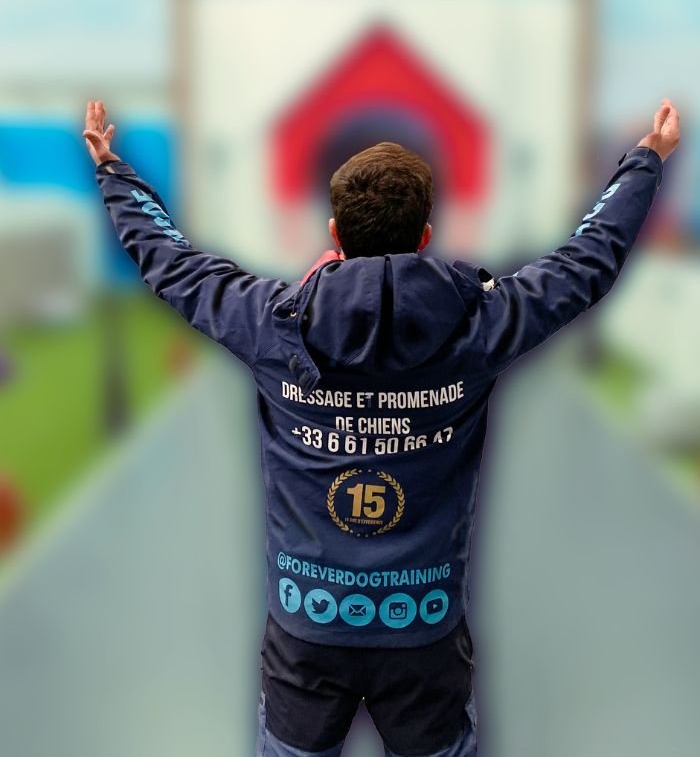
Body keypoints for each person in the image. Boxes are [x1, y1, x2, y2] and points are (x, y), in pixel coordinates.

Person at [83, 97, 679, 757]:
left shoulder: (270, 323)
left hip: (306, 626)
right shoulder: (481, 325)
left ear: (334, 232)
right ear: (425, 236)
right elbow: (586, 261)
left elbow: (169, 261)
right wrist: (645, 160)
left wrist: (113, 171)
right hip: (423, 629)